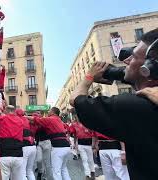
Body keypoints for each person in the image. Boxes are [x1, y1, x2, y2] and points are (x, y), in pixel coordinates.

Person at [69, 28, 158, 179]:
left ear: (149, 68)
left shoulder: (136, 106)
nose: (126, 60)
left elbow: (76, 100)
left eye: (134, 56)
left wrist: (89, 76)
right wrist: (117, 73)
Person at [27, 107, 71, 180]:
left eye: (50, 111)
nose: (48, 112)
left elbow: (35, 119)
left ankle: (46, 176)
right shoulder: (58, 119)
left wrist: (23, 116)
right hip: (66, 146)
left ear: (53, 112)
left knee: (56, 171)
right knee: (63, 169)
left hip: (58, 147)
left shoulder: (50, 119)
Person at [0, 105, 24, 180]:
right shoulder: (20, 120)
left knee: (4, 176)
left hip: (4, 153)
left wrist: (0, 112)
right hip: (18, 153)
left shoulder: (3, 118)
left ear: (6, 111)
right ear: (14, 111)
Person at [15, 109, 36, 180]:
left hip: (25, 147)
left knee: (22, 171)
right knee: (29, 170)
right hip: (33, 146)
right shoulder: (27, 120)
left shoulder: (16, 120)